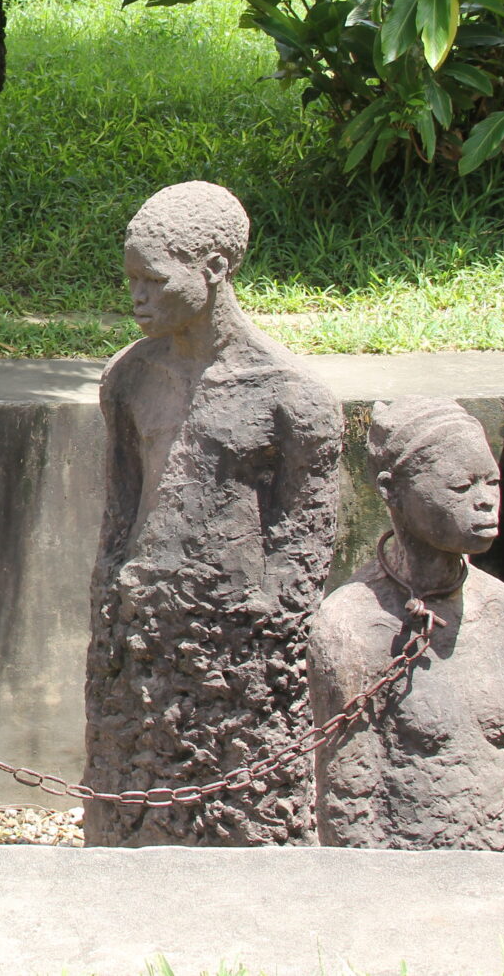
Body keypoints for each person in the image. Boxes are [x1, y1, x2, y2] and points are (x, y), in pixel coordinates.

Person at [85, 181, 342, 846]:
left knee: (241, 816)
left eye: (153, 279)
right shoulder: (130, 378)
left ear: (215, 269)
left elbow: (307, 543)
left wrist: (262, 636)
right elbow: (118, 517)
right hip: (140, 639)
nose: (136, 296)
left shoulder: (292, 395)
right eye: (130, 279)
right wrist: (114, 614)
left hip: (238, 651)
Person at [312, 397, 504, 850]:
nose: (485, 502)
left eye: (492, 482)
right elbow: (349, 798)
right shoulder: (351, 630)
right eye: (460, 488)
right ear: (391, 490)